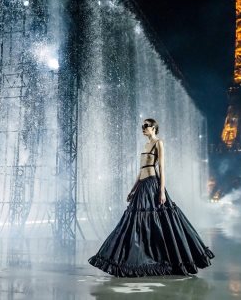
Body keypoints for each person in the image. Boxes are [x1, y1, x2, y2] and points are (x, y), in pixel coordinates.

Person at [88, 118, 215, 277]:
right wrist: (133, 189)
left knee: (159, 221)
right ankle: (138, 258)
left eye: (146, 126)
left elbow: (161, 168)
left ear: (154, 128)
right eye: (142, 126)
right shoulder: (146, 145)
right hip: (142, 185)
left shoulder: (158, 143)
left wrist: (161, 191)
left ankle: (169, 259)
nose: (143, 128)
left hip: (152, 185)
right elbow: (141, 170)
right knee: (137, 222)